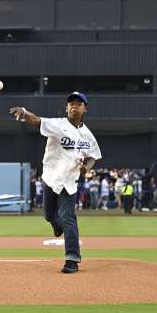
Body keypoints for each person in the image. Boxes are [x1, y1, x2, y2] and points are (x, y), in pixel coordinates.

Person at [9, 92, 102, 274]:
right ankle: (55, 224)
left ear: (85, 108)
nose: (74, 105)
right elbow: (37, 121)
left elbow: (94, 156)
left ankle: (72, 259)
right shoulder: (57, 125)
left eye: (78, 103)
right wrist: (25, 112)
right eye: (71, 103)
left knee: (69, 217)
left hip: (70, 182)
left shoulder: (87, 135)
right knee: (49, 215)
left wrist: (87, 168)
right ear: (67, 108)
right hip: (51, 178)